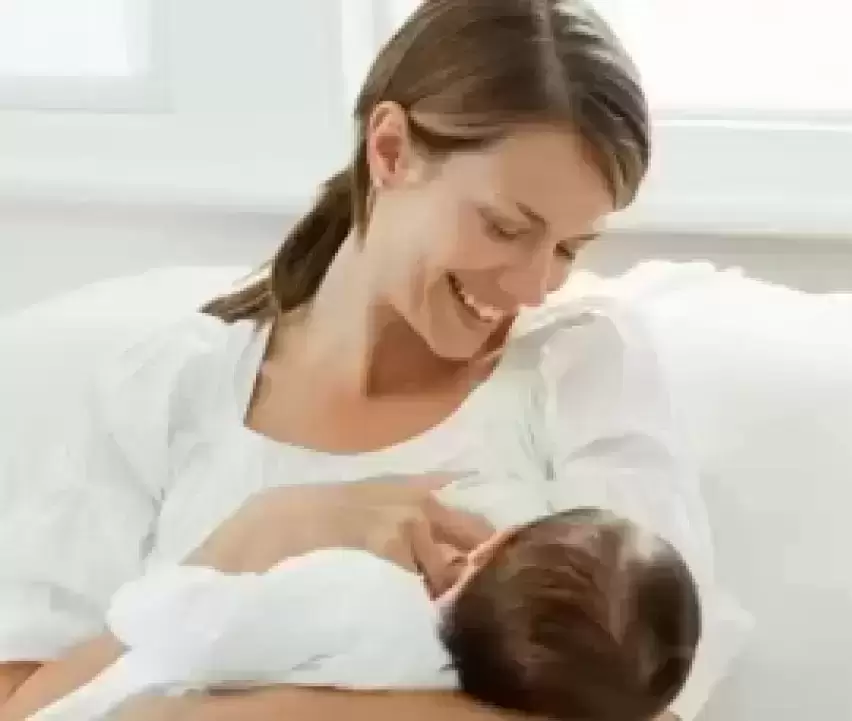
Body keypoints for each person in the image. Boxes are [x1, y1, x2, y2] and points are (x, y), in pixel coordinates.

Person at [0, 0, 749, 719]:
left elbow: (644, 709)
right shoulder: (164, 387)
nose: (534, 285)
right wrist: (256, 536)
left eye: (567, 248)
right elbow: (22, 703)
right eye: (504, 227)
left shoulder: (579, 367)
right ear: (390, 150)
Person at [27, 508, 702, 721]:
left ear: (495, 543)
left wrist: (156, 593)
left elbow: (202, 633)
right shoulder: (451, 689)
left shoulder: (365, 596)